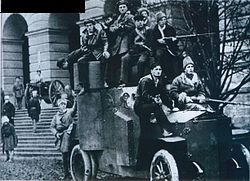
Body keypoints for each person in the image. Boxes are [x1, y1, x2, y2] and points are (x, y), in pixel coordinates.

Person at [58, 19, 110, 93]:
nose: (89, 27)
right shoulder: (84, 35)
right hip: (90, 53)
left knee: (104, 60)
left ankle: (104, 80)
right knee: (81, 61)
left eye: (90, 25)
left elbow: (105, 42)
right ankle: (84, 85)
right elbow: (83, 46)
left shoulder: (100, 32)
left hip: (99, 52)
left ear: (93, 25)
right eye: (87, 26)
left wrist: (105, 51)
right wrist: (84, 49)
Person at [106, 0, 135, 86]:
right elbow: (112, 27)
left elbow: (133, 26)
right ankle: (109, 82)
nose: (122, 9)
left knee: (124, 58)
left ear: (127, 8)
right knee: (111, 59)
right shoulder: (118, 18)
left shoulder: (130, 17)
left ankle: (123, 81)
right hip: (118, 42)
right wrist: (113, 28)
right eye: (120, 7)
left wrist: (123, 27)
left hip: (127, 40)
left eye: (124, 7)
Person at [119, 14, 153, 86]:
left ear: (144, 22)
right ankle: (124, 81)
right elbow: (130, 44)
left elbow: (149, 43)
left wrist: (141, 46)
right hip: (135, 52)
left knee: (141, 61)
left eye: (141, 21)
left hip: (145, 52)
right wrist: (134, 48)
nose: (140, 22)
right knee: (124, 58)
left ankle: (140, 80)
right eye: (137, 21)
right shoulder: (132, 33)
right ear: (135, 22)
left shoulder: (149, 31)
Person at [50, 96, 77, 180]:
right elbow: (52, 126)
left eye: (64, 104)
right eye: (61, 104)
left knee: (68, 153)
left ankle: (72, 172)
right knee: (64, 156)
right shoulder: (56, 116)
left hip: (69, 135)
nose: (63, 106)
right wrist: (56, 134)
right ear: (59, 106)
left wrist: (75, 100)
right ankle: (66, 173)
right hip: (60, 136)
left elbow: (74, 109)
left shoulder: (69, 112)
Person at [151, 11, 180, 83]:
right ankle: (161, 75)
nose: (163, 21)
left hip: (170, 47)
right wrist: (158, 41)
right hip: (159, 48)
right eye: (161, 20)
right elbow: (152, 41)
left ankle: (173, 76)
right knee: (159, 55)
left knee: (174, 57)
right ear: (158, 21)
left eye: (164, 19)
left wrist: (173, 40)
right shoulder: (155, 30)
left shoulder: (170, 28)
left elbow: (175, 40)